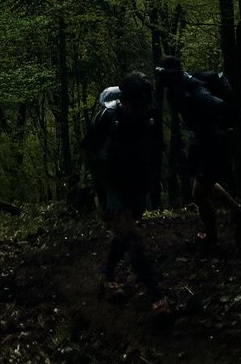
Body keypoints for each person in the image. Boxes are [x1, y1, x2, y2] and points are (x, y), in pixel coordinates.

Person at [82, 71, 170, 314]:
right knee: (133, 239)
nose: (142, 109)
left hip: (135, 183)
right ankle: (157, 297)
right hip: (110, 185)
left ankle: (106, 276)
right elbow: (90, 154)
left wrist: (152, 181)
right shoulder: (106, 120)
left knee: (125, 233)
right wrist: (107, 196)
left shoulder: (149, 117)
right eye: (138, 104)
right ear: (125, 101)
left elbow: (156, 150)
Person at [156, 56, 241, 251]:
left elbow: (221, 107)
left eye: (162, 75)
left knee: (198, 193)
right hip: (201, 142)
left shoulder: (194, 89)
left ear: (171, 75)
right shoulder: (177, 89)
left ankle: (213, 234)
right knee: (202, 183)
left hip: (211, 143)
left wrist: (221, 129)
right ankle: (239, 211)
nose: (160, 80)